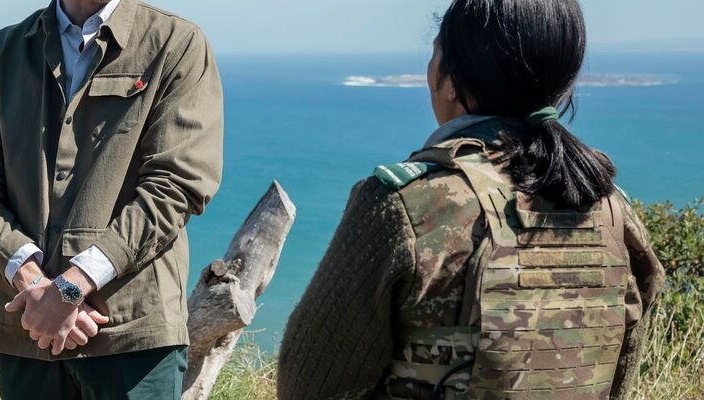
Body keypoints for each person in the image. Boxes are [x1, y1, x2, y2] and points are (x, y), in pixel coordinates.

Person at [276, 0, 666, 398]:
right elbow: (619, 372)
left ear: (451, 79)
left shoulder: (404, 205)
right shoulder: (610, 210)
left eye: (435, 53)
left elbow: (309, 383)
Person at [0, 0, 224, 397]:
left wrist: (69, 288)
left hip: (131, 332)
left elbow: (177, 184)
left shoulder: (175, 43)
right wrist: (32, 283)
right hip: (26, 329)